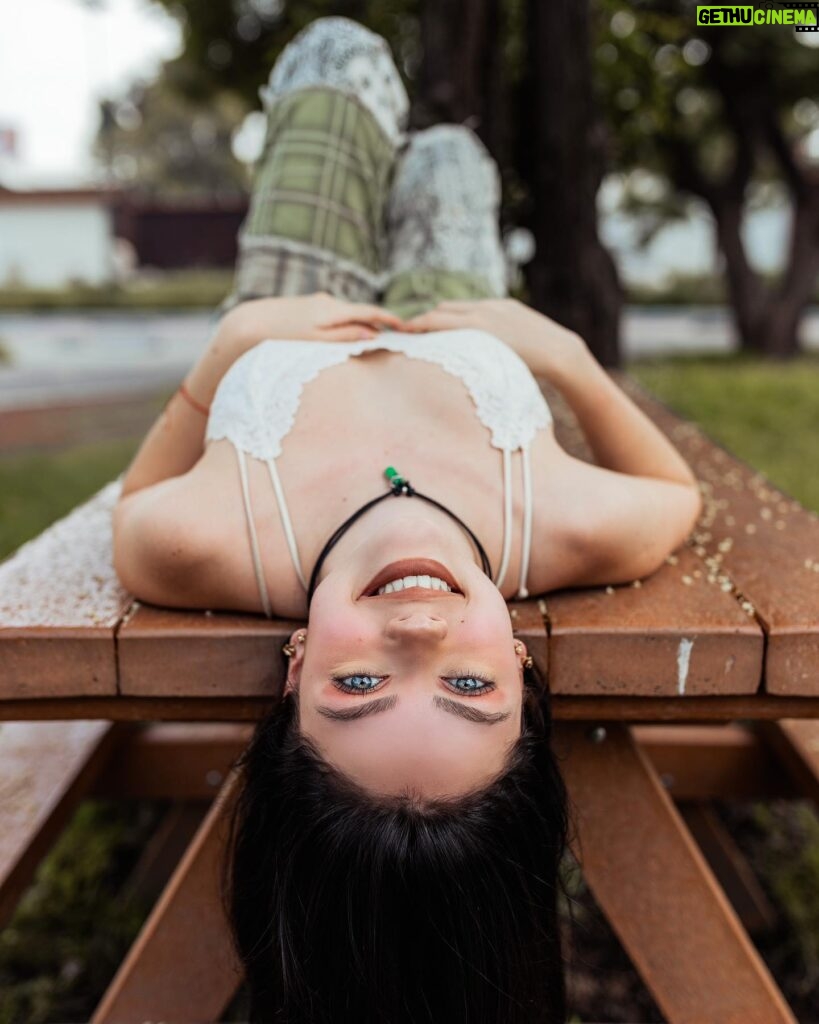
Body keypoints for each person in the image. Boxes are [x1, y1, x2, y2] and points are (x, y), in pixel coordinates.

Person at [112, 17, 703, 1023]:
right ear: (521, 665)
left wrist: (225, 354)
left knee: (337, 56)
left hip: (286, 312)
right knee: (446, 157)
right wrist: (559, 352)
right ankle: (432, 184)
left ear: (295, 664)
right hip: (461, 314)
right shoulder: (562, 527)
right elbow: (680, 495)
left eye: (359, 684)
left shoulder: (205, 542)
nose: (420, 633)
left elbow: (130, 509)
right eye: (469, 684)